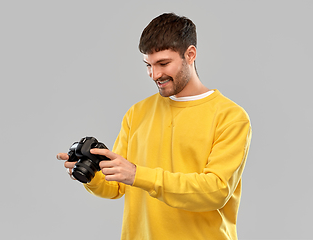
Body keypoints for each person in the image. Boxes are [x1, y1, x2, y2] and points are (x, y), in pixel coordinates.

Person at [57, 12, 252, 240]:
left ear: (190, 55)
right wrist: (91, 174)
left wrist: (139, 175)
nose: (154, 74)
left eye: (163, 63)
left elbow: (215, 191)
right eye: (148, 65)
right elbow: (119, 186)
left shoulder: (230, 117)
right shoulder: (137, 113)